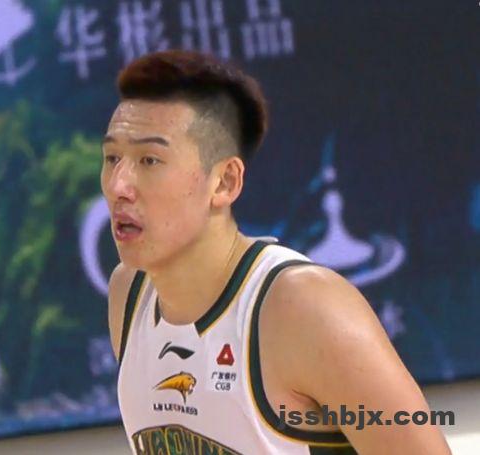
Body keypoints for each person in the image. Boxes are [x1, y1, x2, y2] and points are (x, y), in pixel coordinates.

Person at [101, 49, 451, 454]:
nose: (118, 185)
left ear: (225, 182)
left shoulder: (303, 307)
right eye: (112, 158)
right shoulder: (129, 295)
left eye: (149, 160)